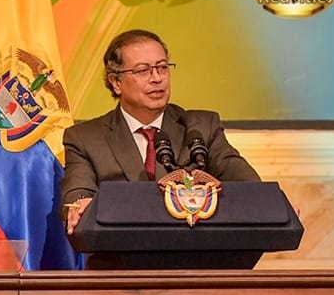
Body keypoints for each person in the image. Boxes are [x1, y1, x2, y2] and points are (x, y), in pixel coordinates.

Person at [61, 29, 260, 235]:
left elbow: (246, 181)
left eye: (162, 68)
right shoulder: (86, 138)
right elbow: (78, 190)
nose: (157, 78)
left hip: (193, 255)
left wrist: (270, 201)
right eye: (143, 70)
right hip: (119, 257)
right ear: (116, 82)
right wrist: (80, 203)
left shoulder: (200, 127)